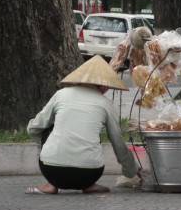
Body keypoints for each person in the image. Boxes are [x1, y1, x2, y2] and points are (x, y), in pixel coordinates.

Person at [26, 55, 140, 194]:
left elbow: (35, 127)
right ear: (103, 86)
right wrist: (131, 172)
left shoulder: (61, 94)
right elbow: (117, 142)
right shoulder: (105, 104)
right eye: (107, 86)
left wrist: (46, 142)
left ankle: (51, 184)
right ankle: (89, 185)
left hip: (51, 170)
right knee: (92, 134)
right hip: (90, 174)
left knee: (49, 130)